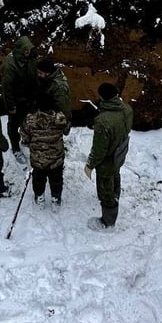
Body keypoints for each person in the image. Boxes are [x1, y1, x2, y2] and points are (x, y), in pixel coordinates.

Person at [84, 82, 133, 229]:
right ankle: (116, 193)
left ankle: (108, 220)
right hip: (120, 151)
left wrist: (90, 165)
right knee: (115, 174)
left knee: (105, 188)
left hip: (107, 159)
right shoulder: (127, 109)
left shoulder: (103, 121)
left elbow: (99, 150)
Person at [21, 90, 70, 205]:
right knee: (56, 180)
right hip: (56, 158)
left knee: (38, 179)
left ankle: (39, 197)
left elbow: (24, 136)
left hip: (38, 159)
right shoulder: (60, 118)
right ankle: (55, 198)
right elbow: (67, 131)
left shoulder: (30, 119)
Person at [1, 36, 38, 160]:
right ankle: (15, 146)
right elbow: (7, 87)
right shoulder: (9, 63)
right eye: (25, 50)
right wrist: (11, 105)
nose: (28, 52)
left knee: (30, 120)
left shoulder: (31, 58)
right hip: (17, 99)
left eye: (29, 49)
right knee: (13, 124)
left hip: (30, 97)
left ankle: (27, 139)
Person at [35, 57, 72, 126]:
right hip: (44, 116)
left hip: (53, 120)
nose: (38, 74)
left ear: (47, 73)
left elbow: (63, 107)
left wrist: (64, 123)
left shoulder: (59, 87)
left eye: (40, 73)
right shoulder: (46, 79)